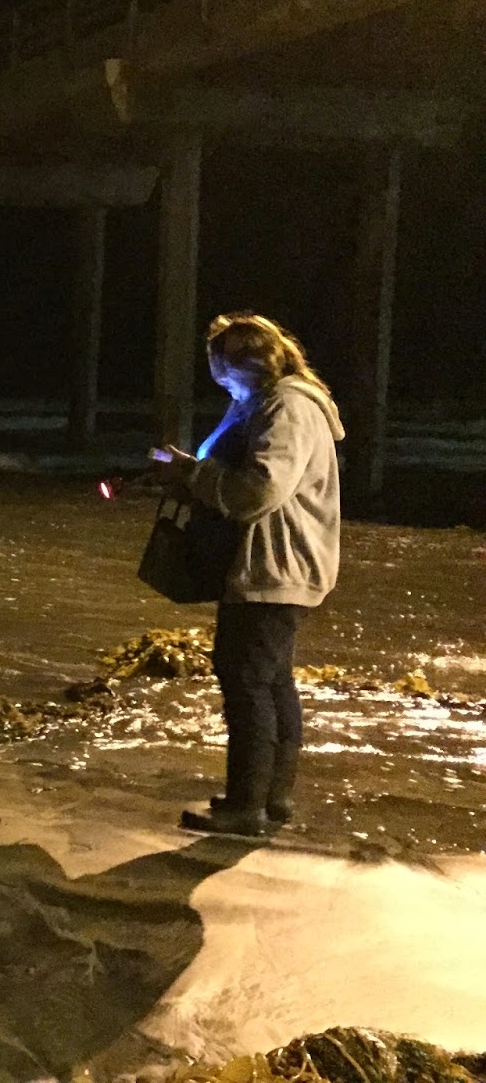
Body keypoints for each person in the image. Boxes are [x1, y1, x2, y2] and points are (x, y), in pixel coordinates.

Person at [151, 312, 344, 836]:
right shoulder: (272, 402)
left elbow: (257, 490)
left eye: (222, 368)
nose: (220, 380)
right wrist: (195, 473)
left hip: (273, 564)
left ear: (233, 364)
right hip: (279, 563)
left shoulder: (286, 407)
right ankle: (271, 799)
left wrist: (192, 473)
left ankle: (245, 808)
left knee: (246, 681)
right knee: (271, 679)